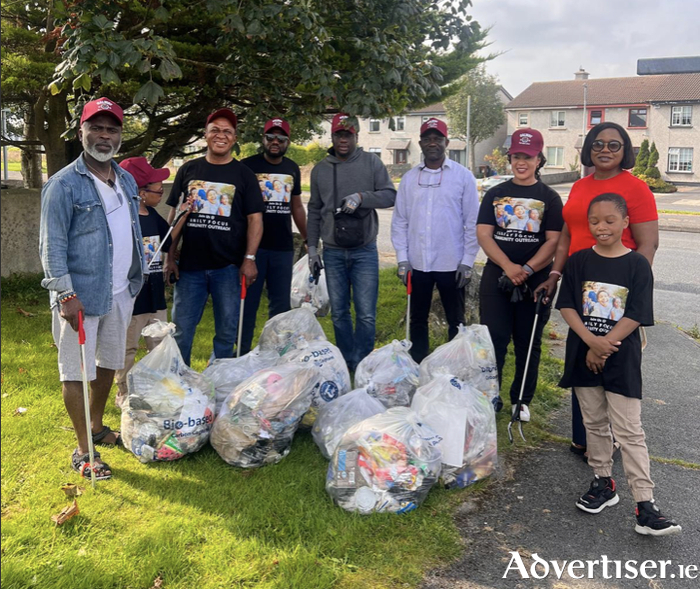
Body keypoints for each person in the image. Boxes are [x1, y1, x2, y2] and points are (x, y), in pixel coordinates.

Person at [556, 193, 680, 536]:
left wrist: (605, 345)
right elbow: (567, 306)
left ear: (626, 222)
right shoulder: (579, 261)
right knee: (594, 422)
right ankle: (603, 483)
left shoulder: (637, 264)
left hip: (621, 358)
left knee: (628, 429)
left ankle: (645, 504)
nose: (601, 227)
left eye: (610, 220)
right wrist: (591, 342)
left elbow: (637, 313)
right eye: (594, 221)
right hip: (583, 353)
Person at [534, 121, 659, 458]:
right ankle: (586, 438)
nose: (605, 149)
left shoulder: (636, 189)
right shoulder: (579, 187)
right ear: (588, 148)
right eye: (598, 143)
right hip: (580, 287)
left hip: (615, 291)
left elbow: (648, 246)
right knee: (581, 357)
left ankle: (615, 438)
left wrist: (633, 293)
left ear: (625, 151)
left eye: (614, 145)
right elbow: (567, 236)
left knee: (612, 359)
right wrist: (555, 273)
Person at [39, 97, 144, 480]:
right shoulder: (63, 184)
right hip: (79, 296)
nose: (104, 135)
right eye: (96, 128)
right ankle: (85, 450)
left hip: (119, 292)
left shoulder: (126, 179)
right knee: (75, 371)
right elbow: (51, 245)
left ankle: (97, 425)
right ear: (80, 131)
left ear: (119, 135)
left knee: (108, 363)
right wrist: (65, 294)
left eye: (111, 129)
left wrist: (135, 279)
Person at [165, 108, 264, 365]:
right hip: (190, 268)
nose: (221, 135)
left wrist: (250, 258)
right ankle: (180, 385)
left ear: (235, 137)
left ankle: (219, 383)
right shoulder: (188, 169)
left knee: (227, 333)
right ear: (206, 135)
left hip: (229, 268)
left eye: (227, 131)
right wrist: (169, 257)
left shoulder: (244, 175)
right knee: (181, 331)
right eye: (215, 130)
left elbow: (255, 219)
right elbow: (175, 214)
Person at [476, 128, 563, 418]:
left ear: (539, 159)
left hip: (535, 279)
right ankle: (491, 396)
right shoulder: (496, 194)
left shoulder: (549, 198)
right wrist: (508, 266)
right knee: (494, 339)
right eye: (516, 156)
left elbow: (553, 240)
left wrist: (526, 269)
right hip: (497, 275)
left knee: (529, 341)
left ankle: (521, 400)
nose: (521, 162)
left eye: (528, 156)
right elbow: (484, 234)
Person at [307, 113, 396, 370]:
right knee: (339, 313)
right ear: (332, 136)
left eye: (348, 134)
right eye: (338, 134)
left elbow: (390, 195)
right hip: (333, 252)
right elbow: (314, 210)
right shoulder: (320, 170)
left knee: (366, 314)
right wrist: (313, 249)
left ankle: (364, 362)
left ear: (356, 135)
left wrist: (362, 197)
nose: (343, 139)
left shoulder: (371, 163)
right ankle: (347, 362)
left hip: (364, 251)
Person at [391, 117, 479, 363]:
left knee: (456, 320)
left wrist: (468, 262)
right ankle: (419, 363)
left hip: (451, 263)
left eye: (437, 139)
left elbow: (472, 222)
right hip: (417, 263)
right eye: (427, 139)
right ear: (420, 143)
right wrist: (402, 259)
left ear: (446, 142)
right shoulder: (409, 179)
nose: (432, 143)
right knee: (417, 318)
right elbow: (400, 221)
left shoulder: (463, 177)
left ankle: (453, 366)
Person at [114, 157, 193, 407]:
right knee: (128, 348)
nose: (161, 194)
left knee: (159, 346)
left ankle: (159, 387)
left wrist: (183, 213)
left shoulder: (152, 215)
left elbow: (168, 240)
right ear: (140, 192)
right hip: (132, 298)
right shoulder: (122, 219)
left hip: (155, 296)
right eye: (158, 190)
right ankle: (123, 391)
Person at [239, 118, 307, 355]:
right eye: (271, 137)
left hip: (282, 248)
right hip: (252, 250)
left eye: (281, 138)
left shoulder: (292, 168)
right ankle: (243, 354)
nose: (275, 142)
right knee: (248, 304)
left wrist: (308, 238)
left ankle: (274, 354)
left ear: (287, 142)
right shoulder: (246, 166)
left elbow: (296, 207)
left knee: (280, 307)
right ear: (263, 139)